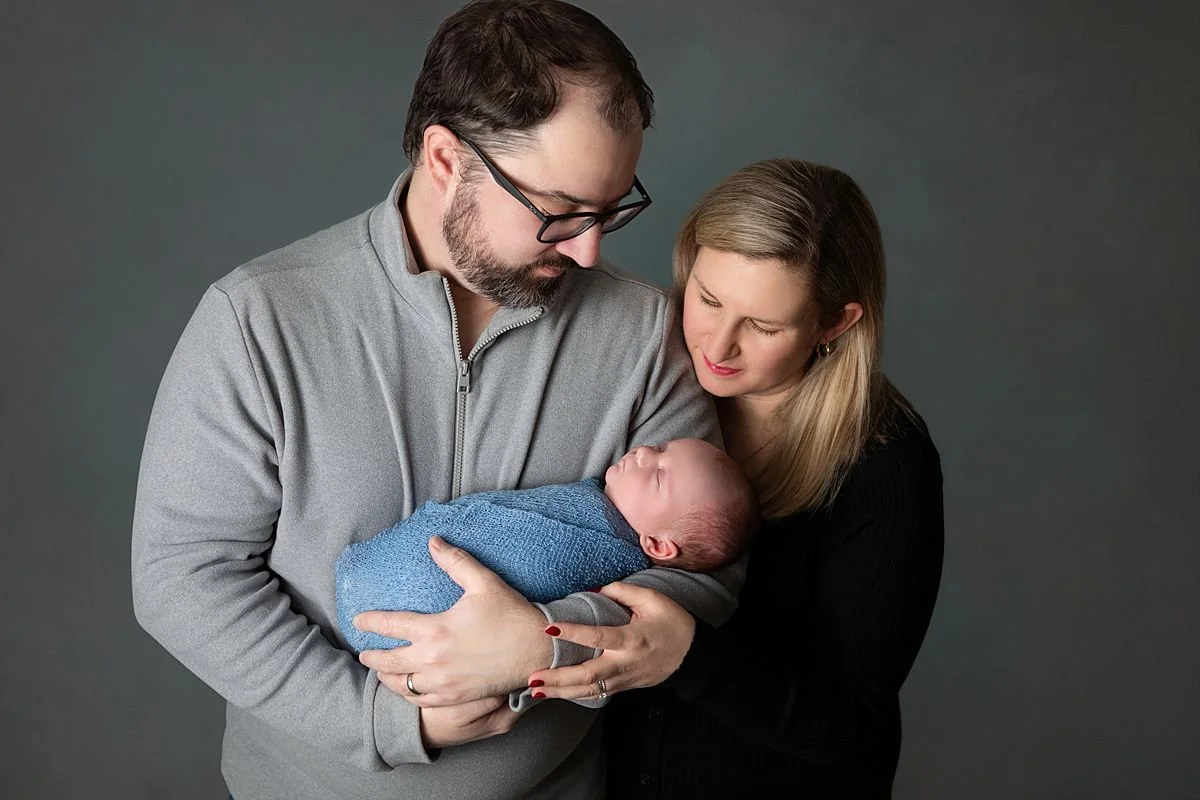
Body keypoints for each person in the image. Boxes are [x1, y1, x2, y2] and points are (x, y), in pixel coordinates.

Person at [130, 3, 744, 799]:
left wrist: (541, 645)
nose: (591, 249)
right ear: (446, 157)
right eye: (558, 211)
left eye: (612, 210)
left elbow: (705, 568)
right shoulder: (260, 321)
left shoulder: (642, 328)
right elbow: (183, 577)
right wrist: (385, 723)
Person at [527, 159, 946, 797]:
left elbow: (850, 723)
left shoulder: (886, 465)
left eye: (764, 325)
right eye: (708, 299)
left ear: (836, 323)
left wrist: (688, 656)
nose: (717, 347)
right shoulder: (643, 384)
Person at [337, 438, 759, 654]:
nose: (646, 451)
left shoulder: (604, 557)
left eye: (660, 475)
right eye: (662, 447)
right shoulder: (594, 501)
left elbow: (532, 565)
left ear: (656, 546)